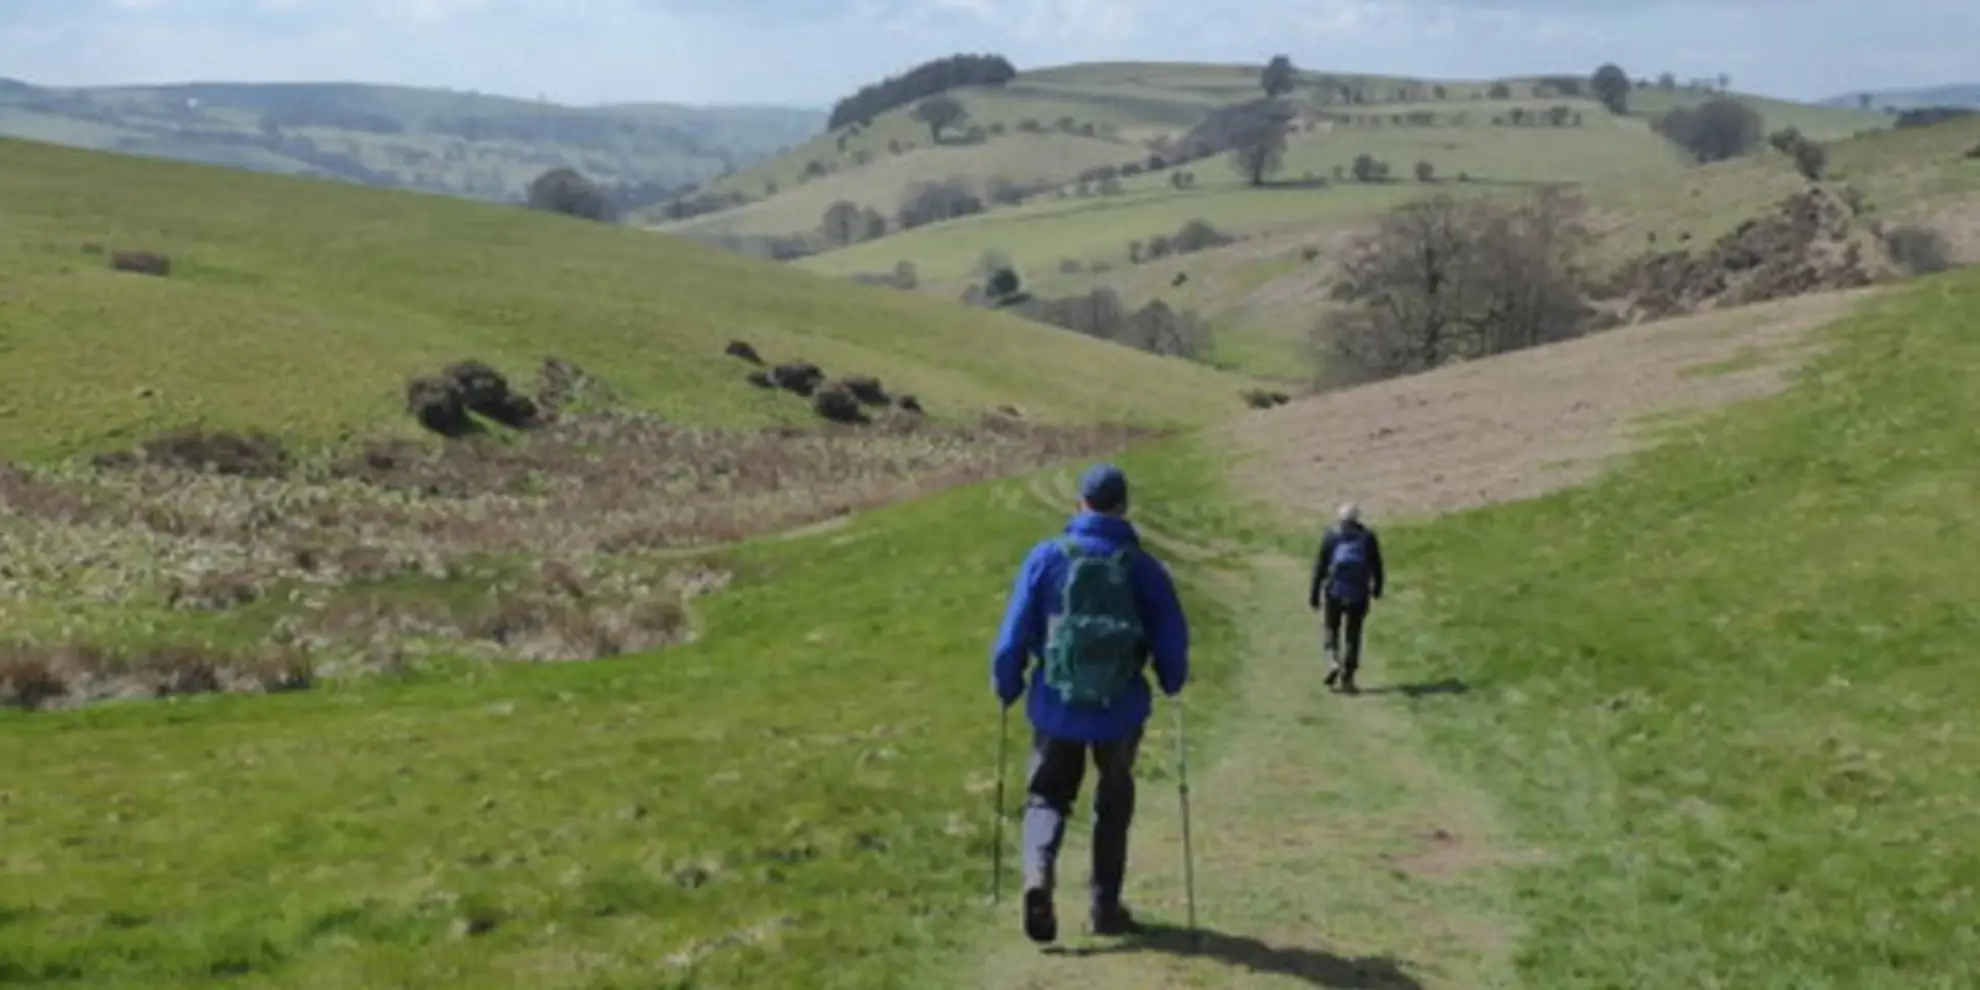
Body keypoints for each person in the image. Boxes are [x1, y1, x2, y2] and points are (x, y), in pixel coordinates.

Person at [990, 462, 1189, 944]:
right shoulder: (1142, 567)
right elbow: (1171, 639)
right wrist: (1171, 680)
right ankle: (1104, 908)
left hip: (1056, 705)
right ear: (1124, 507)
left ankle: (1038, 875)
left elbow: (1012, 635)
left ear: (1080, 503)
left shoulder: (1045, 557)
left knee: (1047, 796)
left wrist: (1008, 683)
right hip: (1119, 708)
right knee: (1113, 803)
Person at [1308, 502, 1385, 695]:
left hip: (1335, 592)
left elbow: (1320, 566)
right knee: (1353, 634)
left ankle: (1333, 660)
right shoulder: (1367, 537)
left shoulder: (1331, 536)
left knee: (1331, 629)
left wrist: (1314, 594)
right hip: (1359, 593)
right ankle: (1348, 678)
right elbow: (1377, 565)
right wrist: (1377, 588)